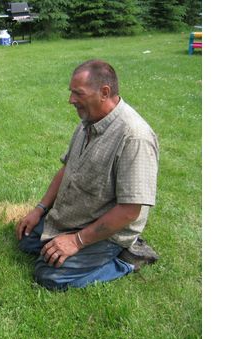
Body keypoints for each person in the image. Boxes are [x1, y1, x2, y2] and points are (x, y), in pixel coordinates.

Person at [16, 59, 159, 290]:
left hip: (108, 232)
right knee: (25, 240)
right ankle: (67, 239)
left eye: (78, 93)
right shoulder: (88, 121)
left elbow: (130, 210)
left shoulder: (135, 137)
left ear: (104, 92)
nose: (71, 100)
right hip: (75, 216)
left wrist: (77, 241)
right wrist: (40, 209)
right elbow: (67, 169)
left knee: (49, 275)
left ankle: (127, 259)